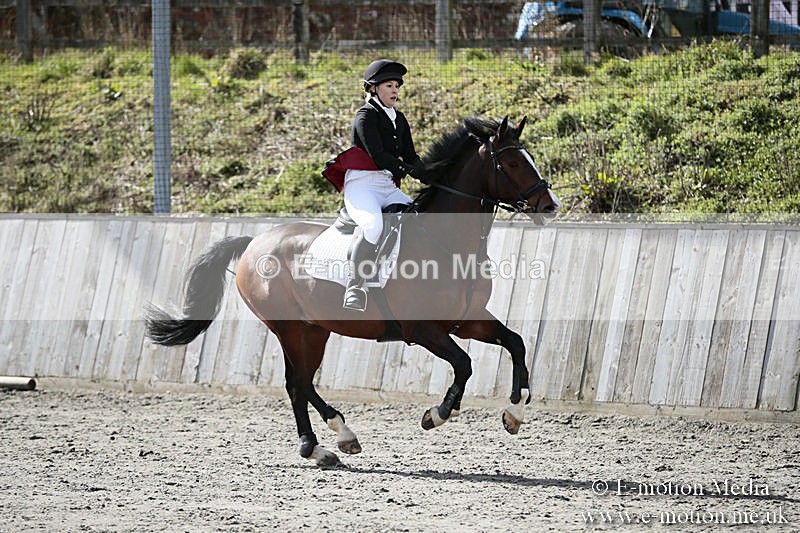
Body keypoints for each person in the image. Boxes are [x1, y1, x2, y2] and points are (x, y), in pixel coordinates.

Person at [341, 59, 429, 311]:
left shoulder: (399, 119)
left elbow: (411, 157)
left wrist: (431, 175)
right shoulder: (365, 116)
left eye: (397, 86)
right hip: (362, 185)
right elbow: (379, 156)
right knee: (373, 226)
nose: (394, 91)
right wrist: (407, 170)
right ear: (373, 88)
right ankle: (354, 285)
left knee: (421, 219)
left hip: (386, 185)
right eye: (389, 85)